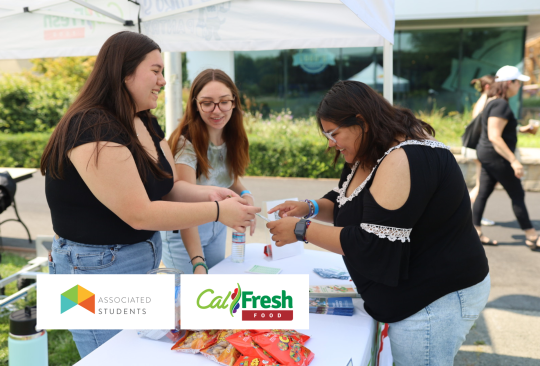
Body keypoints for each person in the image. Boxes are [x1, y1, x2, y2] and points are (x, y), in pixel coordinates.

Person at [40, 31, 259, 358]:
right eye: (155, 71)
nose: (162, 80)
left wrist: (214, 194)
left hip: (134, 261)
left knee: (142, 355)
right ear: (125, 72)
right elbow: (139, 213)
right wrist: (216, 213)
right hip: (91, 272)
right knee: (112, 358)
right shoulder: (92, 127)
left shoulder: (142, 119)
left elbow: (168, 187)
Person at [267, 81, 490, 365]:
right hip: (413, 297)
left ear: (361, 122)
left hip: (435, 300)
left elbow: (372, 244)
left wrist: (301, 230)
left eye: (334, 133)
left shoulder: (403, 159)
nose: (331, 143)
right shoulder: (370, 151)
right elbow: (349, 203)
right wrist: (309, 208)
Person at [162, 69, 255, 274]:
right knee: (188, 298)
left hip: (217, 227)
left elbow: (226, 179)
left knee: (212, 296)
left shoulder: (232, 135)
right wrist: (197, 261)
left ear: (234, 102)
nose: (217, 110)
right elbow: (185, 207)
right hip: (185, 233)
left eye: (223, 101)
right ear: (196, 104)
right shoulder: (186, 145)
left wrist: (246, 194)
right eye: (207, 103)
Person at [472, 65, 540, 250]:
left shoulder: (493, 101)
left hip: (488, 155)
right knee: (517, 194)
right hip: (497, 158)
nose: (519, 87)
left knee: (483, 193)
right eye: (518, 83)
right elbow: (495, 136)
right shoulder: (500, 104)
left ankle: (475, 231)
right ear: (510, 83)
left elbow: (498, 129)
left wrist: (520, 129)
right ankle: (531, 235)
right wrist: (514, 161)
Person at [465, 75, 496, 226]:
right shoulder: (487, 101)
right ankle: (472, 213)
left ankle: (472, 212)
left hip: (477, 146)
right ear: (488, 87)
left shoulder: (481, 101)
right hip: (480, 147)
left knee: (482, 183)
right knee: (482, 184)